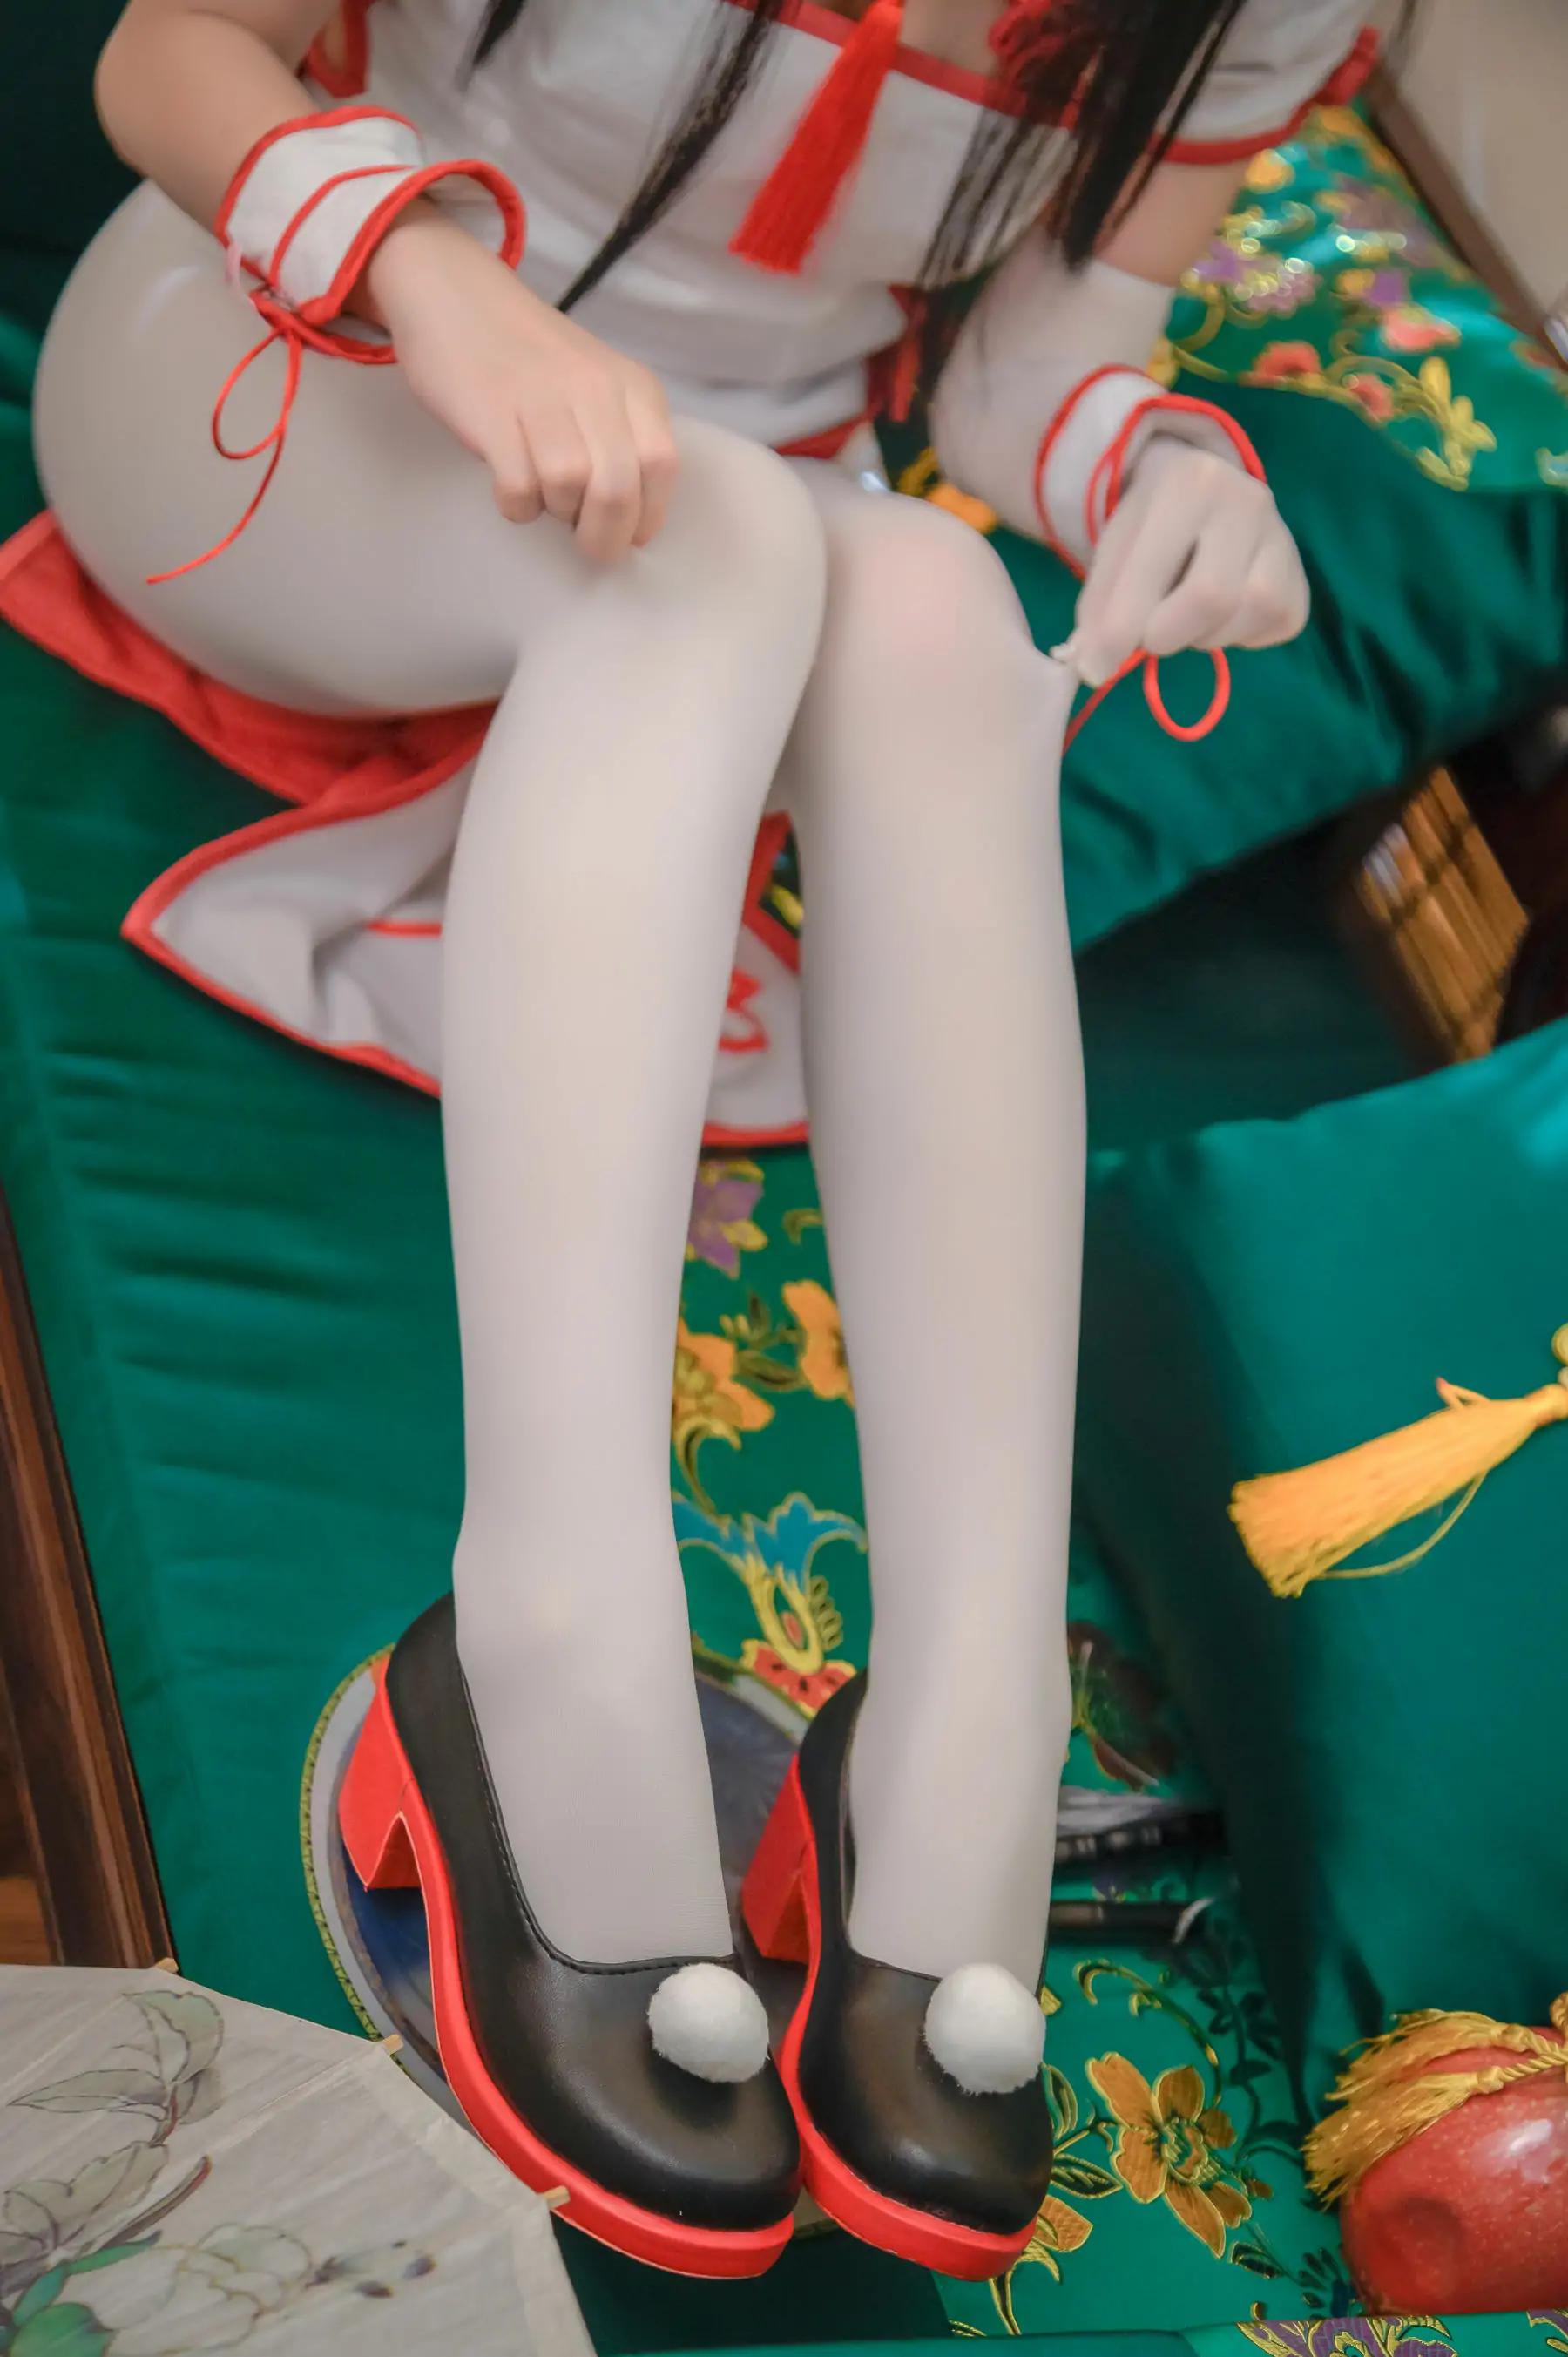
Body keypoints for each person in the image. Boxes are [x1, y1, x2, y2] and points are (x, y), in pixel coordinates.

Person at [17, 0, 1366, 2278]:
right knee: (733, 539)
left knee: (939, 602)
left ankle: (963, 1725)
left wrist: (1156, 466)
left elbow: (1038, 361)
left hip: (736, 522)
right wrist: (448, 289)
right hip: (289, 369)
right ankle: (551, 1638)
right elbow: (166, 61)